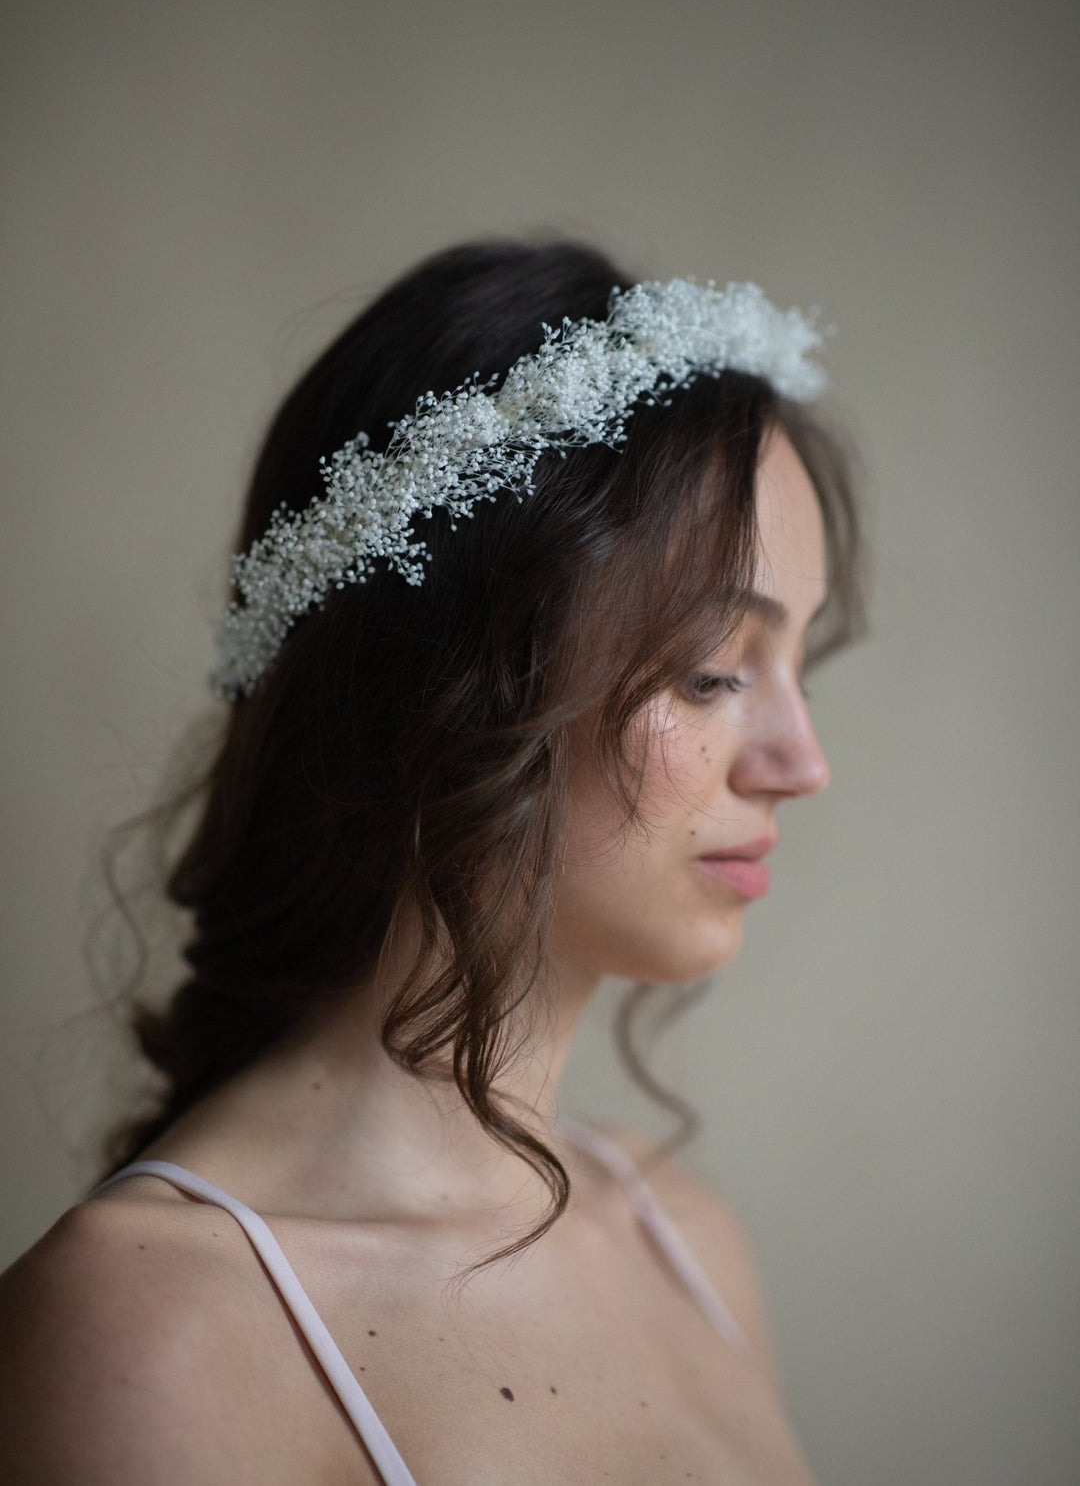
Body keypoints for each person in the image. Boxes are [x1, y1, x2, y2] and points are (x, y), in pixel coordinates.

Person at [0, 236, 868, 1483]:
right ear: (447, 690)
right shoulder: (154, 1330)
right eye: (711, 670)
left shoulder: (687, 1240)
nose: (801, 761)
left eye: (799, 670)